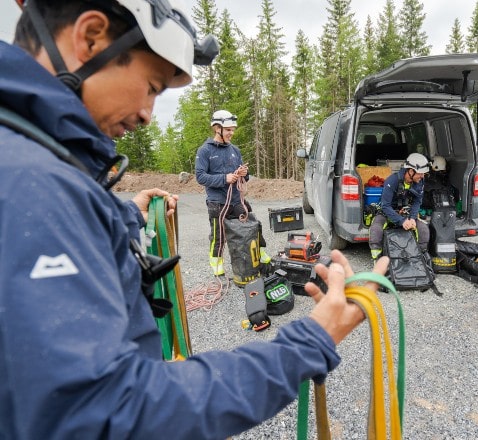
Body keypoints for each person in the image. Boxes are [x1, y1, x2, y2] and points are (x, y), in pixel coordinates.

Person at [0, 1, 390, 439]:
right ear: (90, 37)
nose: (148, 113)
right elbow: (109, 411)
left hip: (234, 198)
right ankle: (221, 267)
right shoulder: (28, 183)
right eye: (151, 87)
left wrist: (120, 220)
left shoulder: (36, 166)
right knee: (218, 237)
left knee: (247, 236)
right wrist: (311, 342)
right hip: (213, 201)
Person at [195, 109, 270, 276]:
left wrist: (244, 174)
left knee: (253, 225)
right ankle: (217, 264)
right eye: (228, 130)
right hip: (217, 202)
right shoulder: (205, 151)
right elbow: (200, 177)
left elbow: (245, 176)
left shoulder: (235, 150)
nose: (232, 133)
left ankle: (260, 254)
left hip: (237, 200)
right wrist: (224, 178)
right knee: (218, 235)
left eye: (233, 130)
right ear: (217, 128)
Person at [369, 152, 431, 260]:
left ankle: (420, 259)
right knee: (376, 230)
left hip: (405, 211)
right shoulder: (392, 181)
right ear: (411, 171)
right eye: (420, 173)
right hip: (387, 212)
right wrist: (401, 221)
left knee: (424, 230)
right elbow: (385, 206)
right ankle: (378, 260)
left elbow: (417, 201)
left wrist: (412, 217)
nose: (422, 176)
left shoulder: (420, 181)